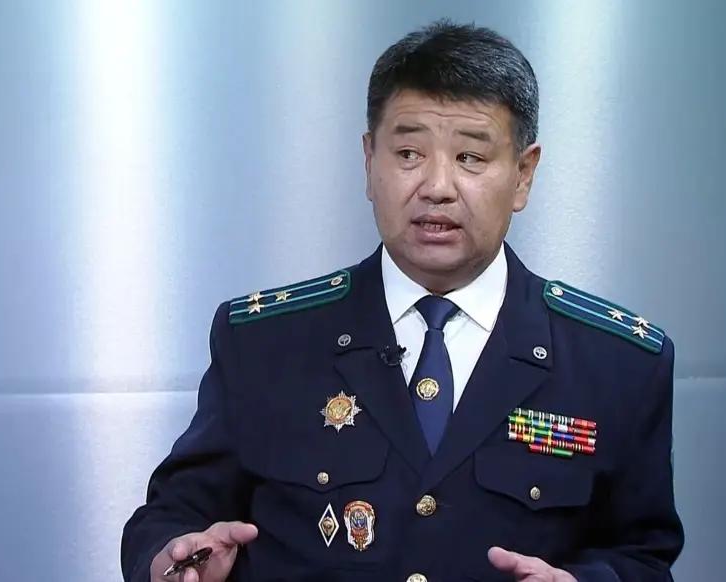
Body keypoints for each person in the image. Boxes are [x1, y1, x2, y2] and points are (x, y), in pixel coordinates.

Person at [121, 20, 683, 582]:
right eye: (409, 153)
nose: (437, 186)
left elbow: (643, 555)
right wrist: (174, 560)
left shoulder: (619, 364)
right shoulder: (263, 342)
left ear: (523, 175)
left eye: (470, 158)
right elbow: (173, 516)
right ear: (370, 161)